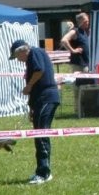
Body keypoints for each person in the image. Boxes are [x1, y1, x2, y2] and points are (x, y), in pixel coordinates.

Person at [9, 39, 60, 184]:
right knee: (39, 134)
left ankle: (44, 173)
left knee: (41, 135)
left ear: (21, 51)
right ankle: (42, 170)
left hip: (47, 98)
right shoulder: (30, 59)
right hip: (39, 100)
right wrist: (32, 108)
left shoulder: (35, 53)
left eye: (16, 56)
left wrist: (29, 86)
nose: (18, 60)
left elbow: (39, 71)